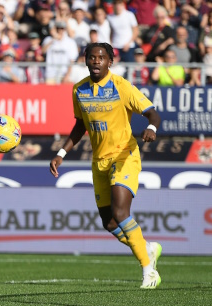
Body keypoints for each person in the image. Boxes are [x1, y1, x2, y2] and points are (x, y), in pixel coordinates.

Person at [50, 42, 163, 289]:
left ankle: (148, 270)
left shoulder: (121, 87)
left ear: (110, 61)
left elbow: (153, 113)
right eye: (92, 57)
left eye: (101, 57)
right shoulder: (79, 90)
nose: (96, 61)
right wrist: (61, 153)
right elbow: (80, 125)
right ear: (86, 61)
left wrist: (151, 128)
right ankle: (146, 248)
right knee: (110, 222)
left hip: (125, 155)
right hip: (99, 160)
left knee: (121, 212)